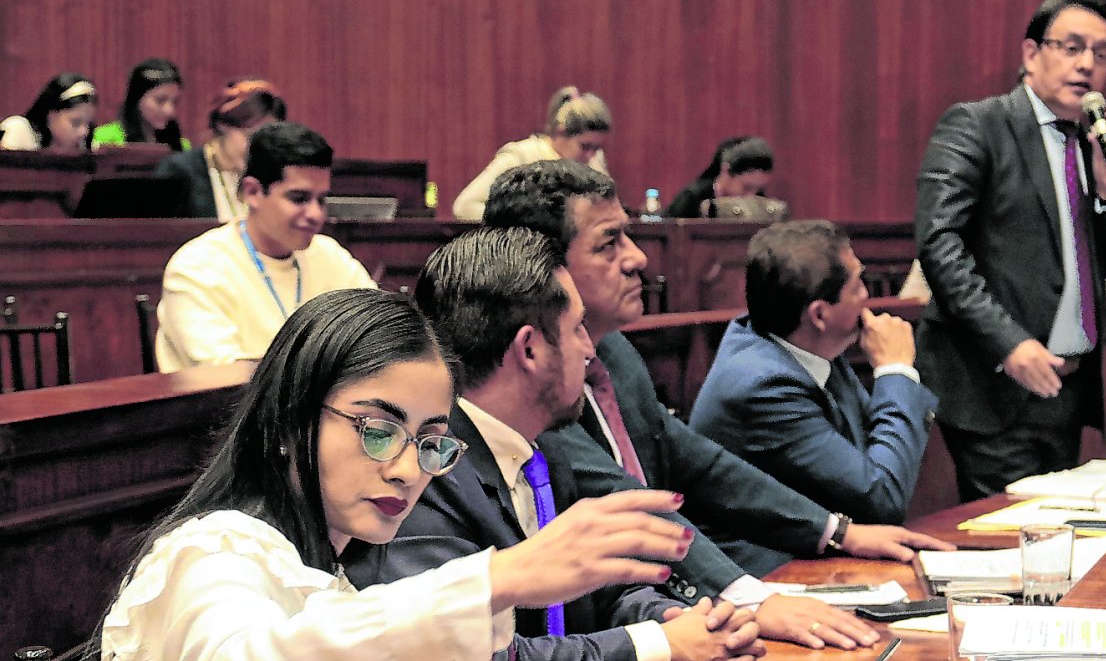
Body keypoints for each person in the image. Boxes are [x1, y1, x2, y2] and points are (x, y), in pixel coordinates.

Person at [484, 160, 954, 651]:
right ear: (543, 268)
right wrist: (753, 600)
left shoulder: (615, 352)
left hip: (654, 605)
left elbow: (693, 459)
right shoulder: (529, 381)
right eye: (609, 243)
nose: (639, 258)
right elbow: (624, 500)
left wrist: (837, 532)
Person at [100, 287, 698, 659]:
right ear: (289, 423)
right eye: (377, 431)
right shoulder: (214, 554)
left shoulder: (334, 556)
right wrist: (496, 578)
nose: (410, 470)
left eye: (433, 442)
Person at [347, 227, 764, 661]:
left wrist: (677, 620)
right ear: (529, 349)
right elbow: (485, 653)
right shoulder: (427, 473)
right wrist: (658, 645)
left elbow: (602, 594)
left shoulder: (542, 448)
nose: (589, 349)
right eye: (577, 327)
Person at [914, 0, 1106, 502]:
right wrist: (1009, 343)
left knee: (1052, 541)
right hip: (994, 385)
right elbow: (939, 244)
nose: (1086, 64)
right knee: (1018, 541)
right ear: (1031, 54)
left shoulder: (1093, 145)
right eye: (1071, 47)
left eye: (1101, 53)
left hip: (1065, 389)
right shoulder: (979, 125)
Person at [689, 221, 938, 524]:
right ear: (820, 314)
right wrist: (895, 370)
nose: (866, 296)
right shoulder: (763, 388)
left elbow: (871, 461)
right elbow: (881, 496)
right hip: (774, 565)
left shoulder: (808, 345)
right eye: (858, 284)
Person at [155, 122, 375, 372]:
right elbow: (224, 376)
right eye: (299, 198)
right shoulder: (197, 266)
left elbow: (380, 341)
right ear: (253, 192)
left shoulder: (331, 256)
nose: (316, 214)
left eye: (321, 199)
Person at [453, 85, 611, 220]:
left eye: (596, 148)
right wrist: (523, 225)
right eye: (585, 146)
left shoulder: (595, 162)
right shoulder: (521, 156)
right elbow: (465, 207)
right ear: (560, 131)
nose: (591, 155)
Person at [155, 77, 287, 220]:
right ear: (224, 126)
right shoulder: (179, 171)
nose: (261, 148)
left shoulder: (274, 175)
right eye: (251, 136)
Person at [93, 58, 191, 151]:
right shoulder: (104, 139)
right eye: (160, 100)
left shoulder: (181, 146)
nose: (170, 111)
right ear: (137, 98)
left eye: (175, 102)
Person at [665, 137, 773, 218]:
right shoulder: (692, 199)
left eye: (760, 189)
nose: (752, 197)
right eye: (746, 188)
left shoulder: (760, 201)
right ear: (726, 171)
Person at [0, 72, 97, 153]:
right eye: (75, 122)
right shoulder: (19, 130)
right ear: (51, 114)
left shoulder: (85, 143)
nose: (84, 132)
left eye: (88, 124)